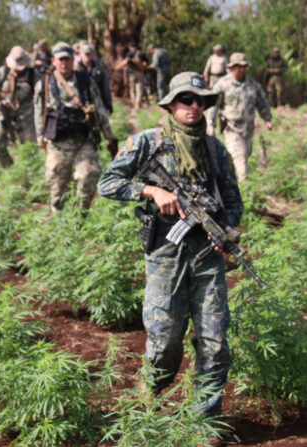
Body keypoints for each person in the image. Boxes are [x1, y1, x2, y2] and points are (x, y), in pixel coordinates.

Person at [98, 72, 243, 419]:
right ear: (171, 105)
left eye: (200, 101)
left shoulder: (215, 149)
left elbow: (234, 202)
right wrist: (151, 191)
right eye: (186, 99)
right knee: (164, 341)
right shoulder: (146, 143)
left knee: (215, 342)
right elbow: (107, 183)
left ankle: (206, 420)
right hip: (166, 252)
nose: (194, 106)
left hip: (207, 255)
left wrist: (228, 233)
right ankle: (152, 394)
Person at [34, 42, 117, 213]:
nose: (64, 63)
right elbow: (38, 112)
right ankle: (60, 219)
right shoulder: (45, 83)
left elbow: (99, 108)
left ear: (73, 59)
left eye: (67, 59)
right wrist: (40, 137)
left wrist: (108, 134)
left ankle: (80, 215)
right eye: (60, 60)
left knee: (89, 174)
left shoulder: (85, 81)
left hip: (83, 140)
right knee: (57, 185)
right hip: (58, 143)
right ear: (53, 61)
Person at [207, 53, 273, 181]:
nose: (241, 69)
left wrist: (267, 119)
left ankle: (233, 182)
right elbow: (213, 106)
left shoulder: (253, 84)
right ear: (231, 68)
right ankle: (246, 190)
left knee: (245, 156)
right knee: (240, 158)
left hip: (248, 129)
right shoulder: (223, 84)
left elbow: (262, 102)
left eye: (244, 67)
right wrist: (211, 125)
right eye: (238, 67)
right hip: (231, 128)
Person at [0, 46, 37, 168]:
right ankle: (10, 169)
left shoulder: (32, 74)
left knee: (29, 148)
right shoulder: (2, 72)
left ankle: (31, 174)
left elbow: (43, 92)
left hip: (27, 115)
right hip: (7, 112)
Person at [76, 43, 113, 114]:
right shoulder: (76, 69)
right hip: (82, 104)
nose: (87, 57)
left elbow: (106, 86)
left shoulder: (100, 67)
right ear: (81, 54)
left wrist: (108, 103)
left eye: (89, 54)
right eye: (85, 54)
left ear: (93, 54)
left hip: (98, 102)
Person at [116, 42, 150, 110]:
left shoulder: (130, 53)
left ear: (130, 47)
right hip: (140, 73)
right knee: (139, 89)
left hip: (132, 73)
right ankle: (138, 105)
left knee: (132, 89)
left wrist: (117, 67)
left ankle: (134, 105)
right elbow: (145, 64)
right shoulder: (141, 53)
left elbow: (125, 62)